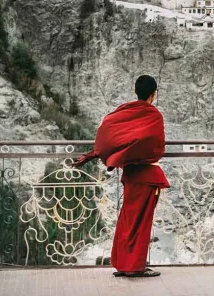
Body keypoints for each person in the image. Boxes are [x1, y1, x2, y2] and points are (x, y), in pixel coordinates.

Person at [73, 75, 169, 278]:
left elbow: (107, 132)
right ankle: (135, 267)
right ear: (154, 94)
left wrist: (111, 154)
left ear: (136, 92)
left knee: (127, 220)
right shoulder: (154, 116)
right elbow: (157, 147)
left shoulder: (123, 112)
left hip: (130, 174)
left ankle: (124, 264)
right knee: (141, 223)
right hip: (148, 175)